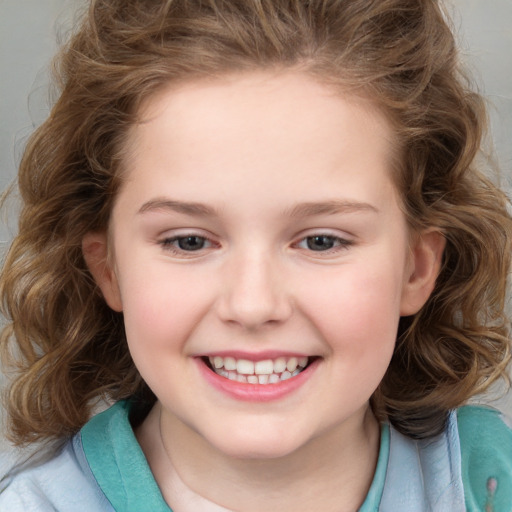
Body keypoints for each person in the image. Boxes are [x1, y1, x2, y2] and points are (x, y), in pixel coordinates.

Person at [1, 0, 511, 510]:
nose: (252, 305)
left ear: (415, 269)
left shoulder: (488, 482)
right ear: (107, 268)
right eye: (189, 241)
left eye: (321, 241)